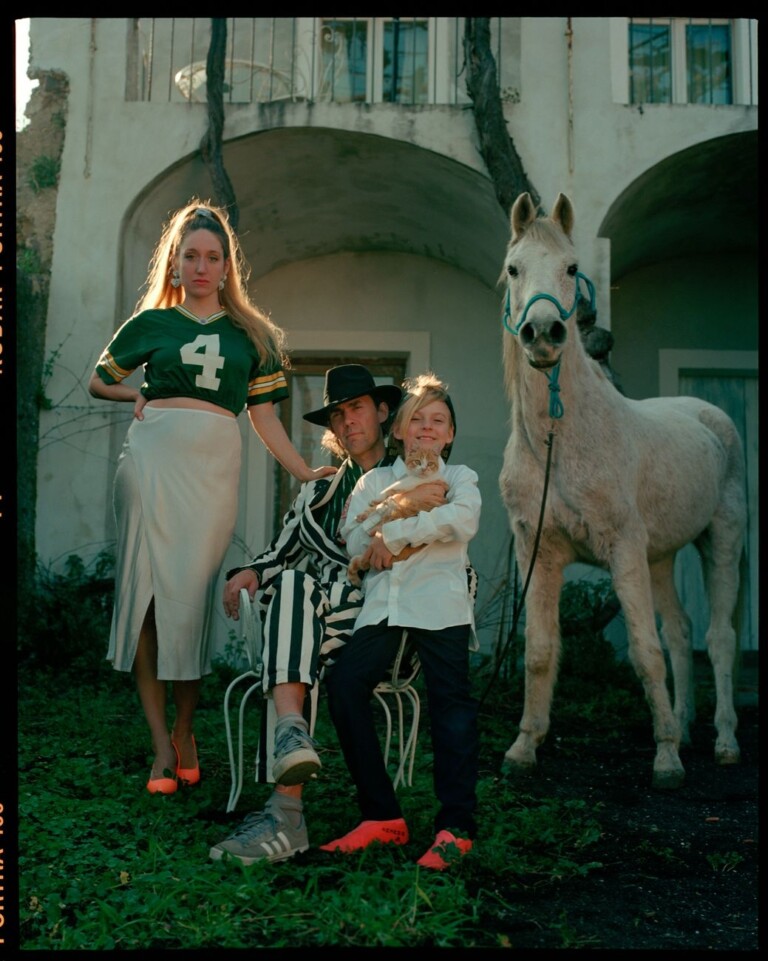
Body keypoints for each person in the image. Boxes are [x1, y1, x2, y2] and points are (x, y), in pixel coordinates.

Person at [88, 199, 335, 796]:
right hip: (149, 462)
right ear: (174, 263)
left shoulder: (253, 335)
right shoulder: (151, 323)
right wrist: (136, 399)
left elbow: (264, 415)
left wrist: (303, 468)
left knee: (190, 600)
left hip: (212, 471)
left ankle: (185, 727)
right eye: (190, 256)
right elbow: (101, 379)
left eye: (213, 257)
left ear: (227, 267)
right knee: (146, 600)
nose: (201, 267)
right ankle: (159, 750)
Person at [209, 364, 448, 864]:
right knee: (294, 588)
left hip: (380, 623)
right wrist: (246, 572)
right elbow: (278, 554)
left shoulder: (414, 476)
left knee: (295, 630)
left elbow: (443, 541)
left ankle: (284, 812)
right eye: (337, 415)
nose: (346, 423)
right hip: (316, 615)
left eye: (356, 408)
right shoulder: (317, 493)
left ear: (383, 412)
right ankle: (292, 738)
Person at [320, 372, 481, 870]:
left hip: (440, 605)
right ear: (399, 431)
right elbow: (352, 538)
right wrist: (401, 518)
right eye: (417, 419)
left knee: (450, 706)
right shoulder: (374, 482)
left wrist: (391, 534)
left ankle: (456, 827)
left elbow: (461, 520)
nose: (427, 428)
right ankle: (382, 816)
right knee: (344, 686)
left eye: (439, 421)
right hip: (384, 607)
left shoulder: (460, 479)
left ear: (450, 434)